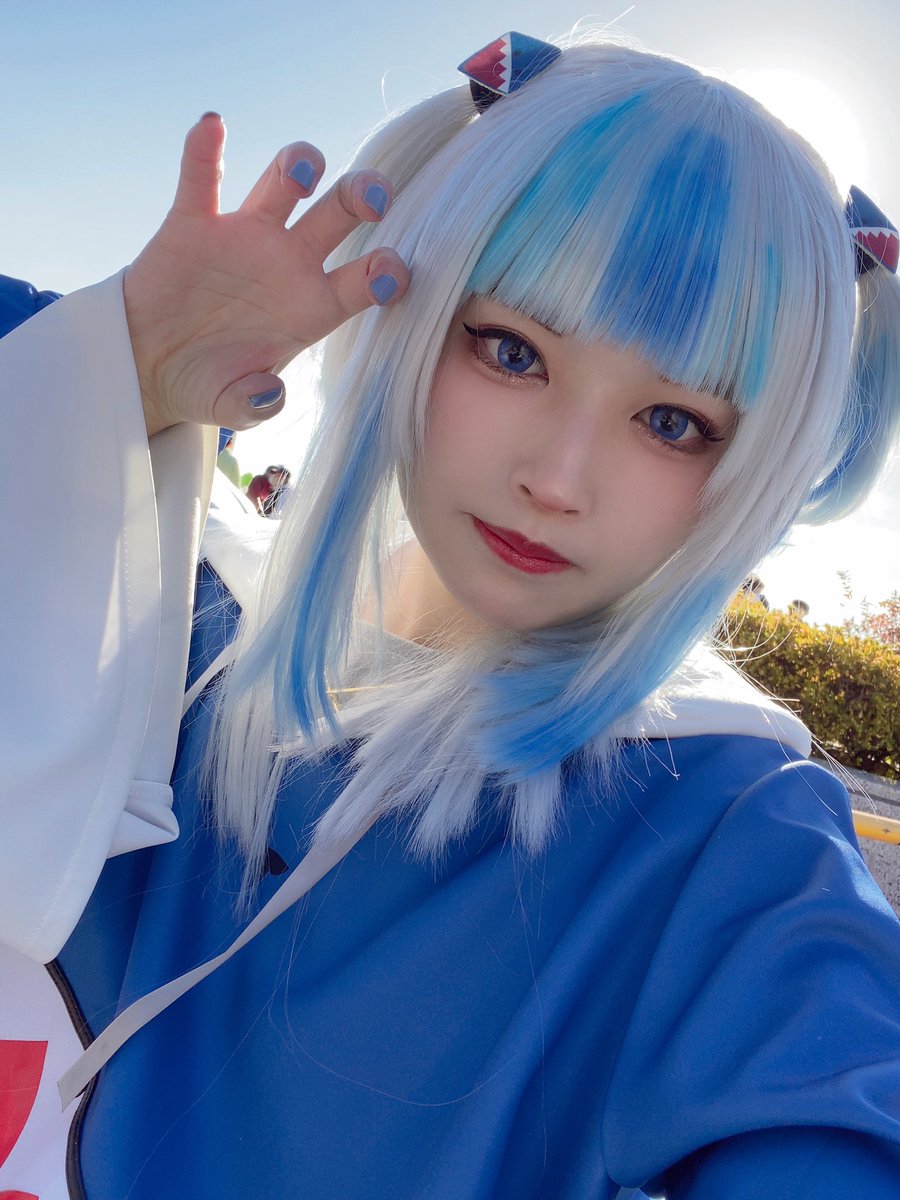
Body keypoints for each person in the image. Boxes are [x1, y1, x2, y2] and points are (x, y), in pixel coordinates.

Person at [2, 31, 900, 1200]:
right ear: (408, 313)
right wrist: (120, 356)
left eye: (674, 422)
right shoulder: (172, 602)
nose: (558, 478)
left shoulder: (724, 827)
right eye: (511, 350)